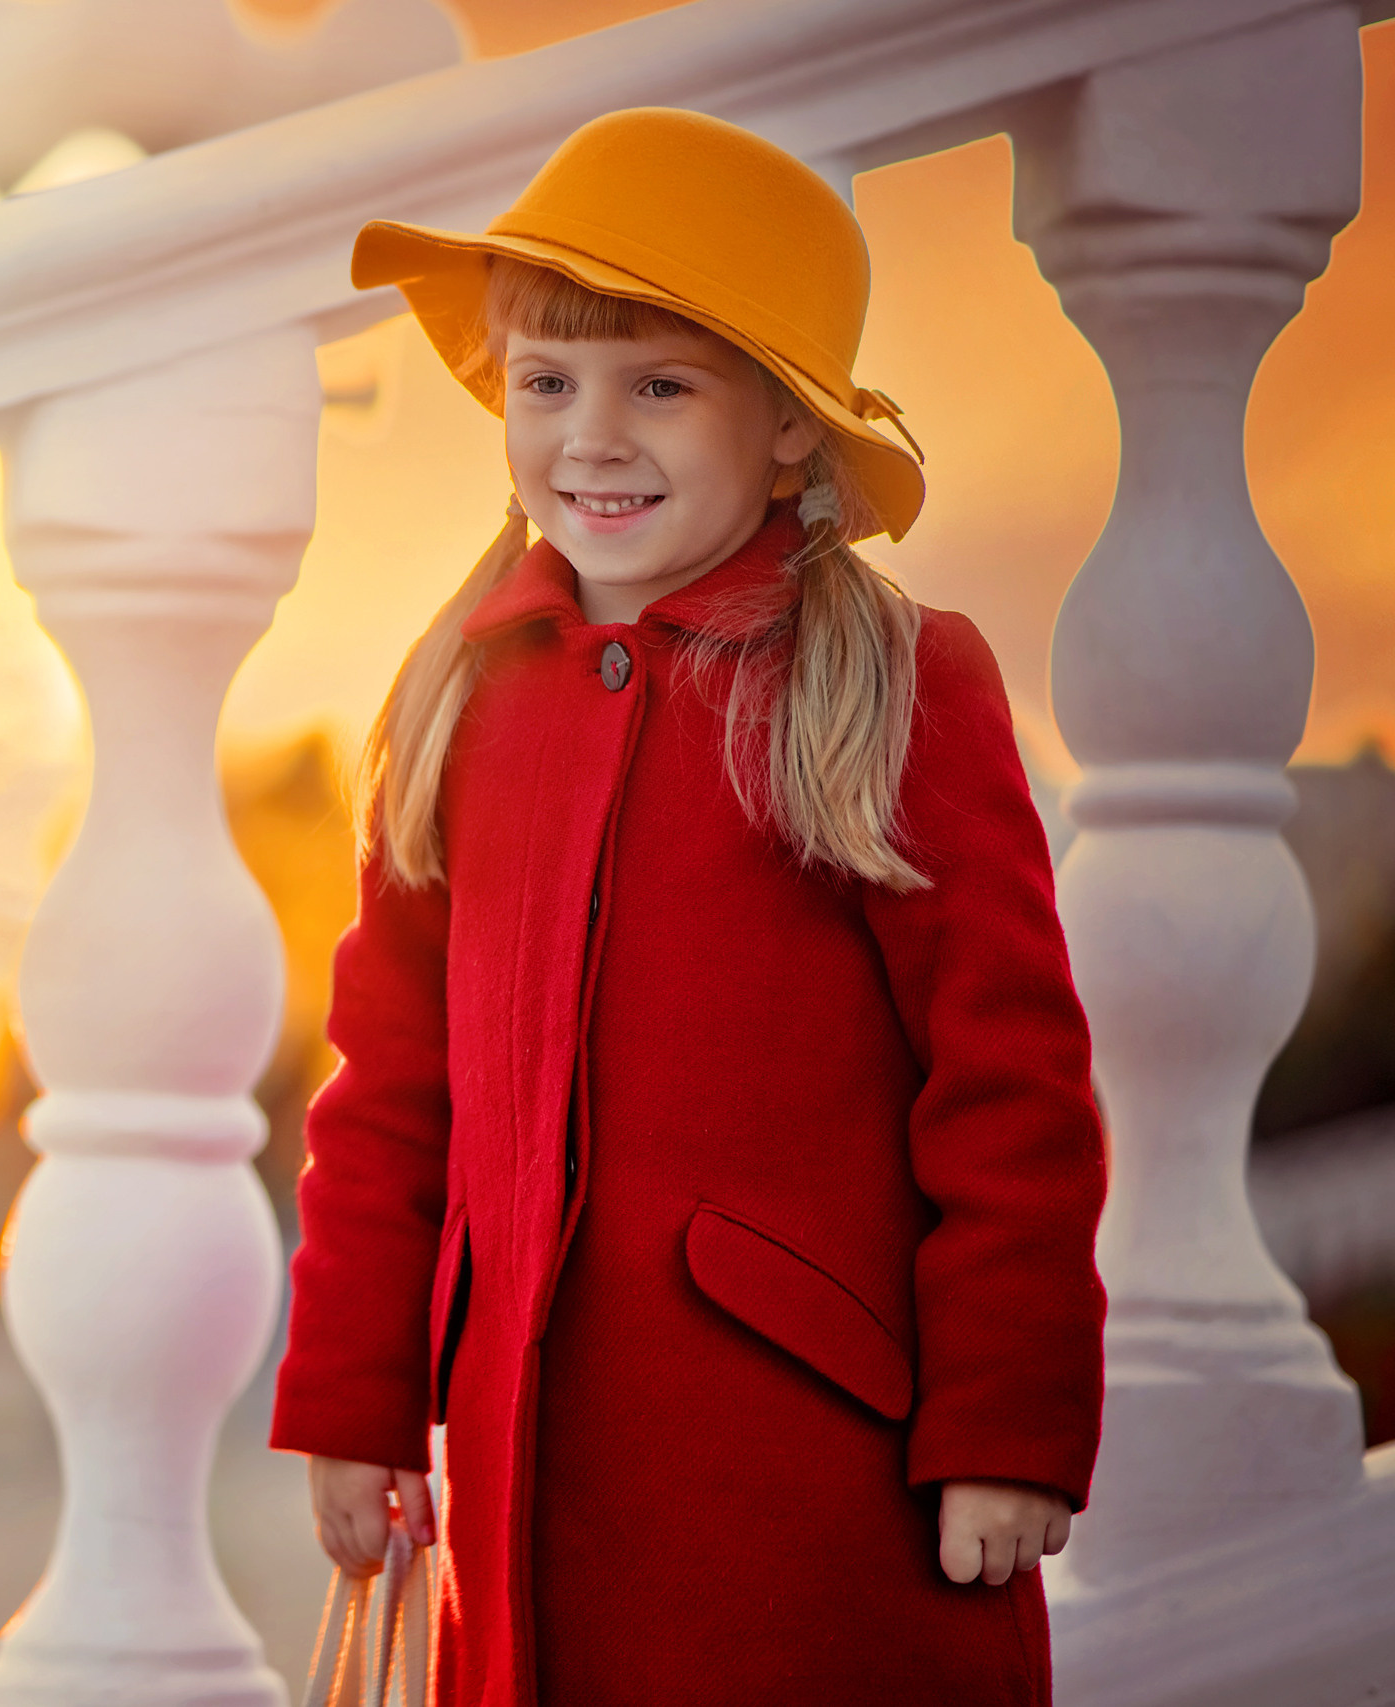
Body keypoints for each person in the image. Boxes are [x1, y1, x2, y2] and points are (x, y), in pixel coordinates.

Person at [268, 107, 1108, 1707]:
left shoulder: (895, 682)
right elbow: (387, 1091)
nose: (590, 436)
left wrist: (1008, 1427)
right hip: (524, 1464)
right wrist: (355, 1396)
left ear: (788, 425)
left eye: (660, 383)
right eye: (546, 382)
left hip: (815, 1481)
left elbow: (1011, 1092)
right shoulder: (459, 695)